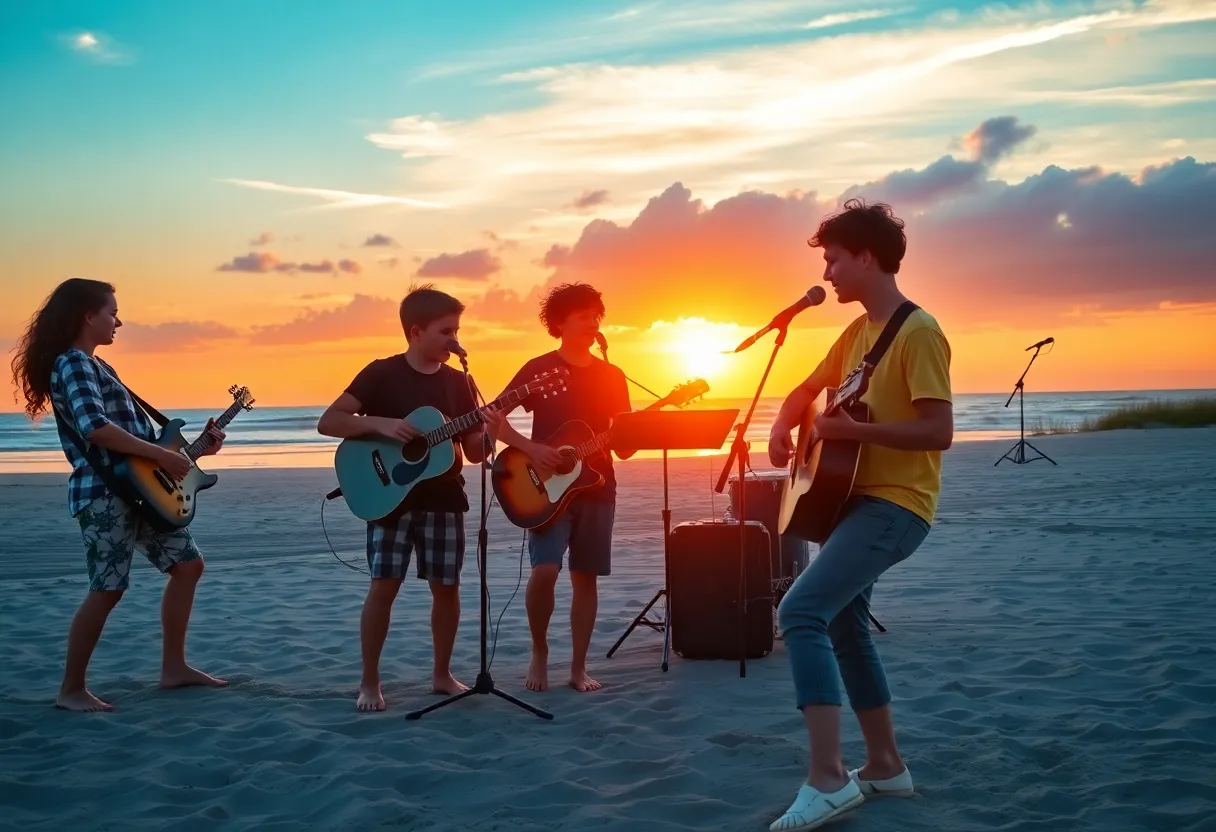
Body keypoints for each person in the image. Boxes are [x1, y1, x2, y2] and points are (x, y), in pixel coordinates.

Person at [765, 199, 953, 831]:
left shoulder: (918, 332)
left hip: (897, 505)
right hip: (851, 502)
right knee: (843, 625)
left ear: (867, 257)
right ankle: (885, 765)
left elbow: (940, 430)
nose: (830, 272)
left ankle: (826, 778)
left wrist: (856, 433)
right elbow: (803, 391)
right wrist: (784, 424)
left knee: (799, 610)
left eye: (835, 259)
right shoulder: (854, 335)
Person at [9, 278, 229, 712]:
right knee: (107, 588)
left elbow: (141, 439)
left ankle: (174, 668)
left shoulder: (101, 368)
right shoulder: (73, 364)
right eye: (112, 312)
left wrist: (194, 447)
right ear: (87, 316)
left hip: (142, 491)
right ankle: (71, 689)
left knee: (189, 566)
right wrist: (163, 459)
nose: (118, 321)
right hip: (104, 493)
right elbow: (96, 429)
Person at [317, 284, 496, 712]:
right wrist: (383, 424)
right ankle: (370, 682)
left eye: (457, 330)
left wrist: (489, 432)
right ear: (415, 332)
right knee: (384, 586)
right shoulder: (382, 373)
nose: (454, 340)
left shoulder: (460, 383)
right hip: (388, 499)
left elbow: (472, 452)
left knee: (446, 589)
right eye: (445, 331)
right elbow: (329, 421)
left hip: (445, 498)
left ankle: (441, 675)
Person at [488, 282, 632, 693]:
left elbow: (625, 446)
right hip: (544, 486)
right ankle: (539, 651)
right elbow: (492, 416)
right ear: (560, 322)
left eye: (596, 315)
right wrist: (531, 448)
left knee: (586, 577)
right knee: (546, 569)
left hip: (598, 485)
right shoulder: (539, 368)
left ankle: (578, 667)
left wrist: (631, 432)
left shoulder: (612, 374)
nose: (593, 323)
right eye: (584, 315)